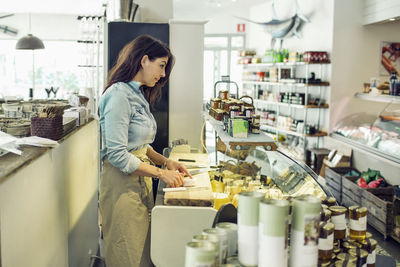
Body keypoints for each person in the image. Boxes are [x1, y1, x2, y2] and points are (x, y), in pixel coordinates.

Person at [99, 35, 192, 267]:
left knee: (142, 253)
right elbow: (118, 154)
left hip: (139, 181)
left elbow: (140, 146)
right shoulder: (118, 95)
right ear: (143, 60)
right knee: (126, 254)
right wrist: (161, 174)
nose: (162, 74)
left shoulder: (136, 93)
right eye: (161, 65)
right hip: (121, 185)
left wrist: (165, 161)